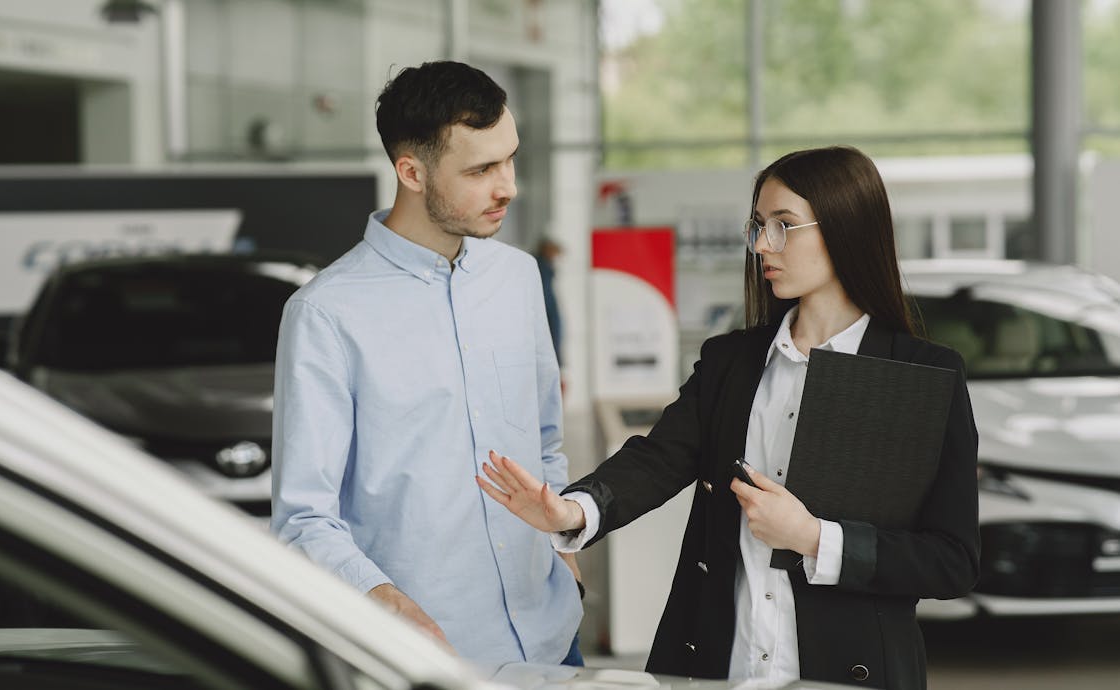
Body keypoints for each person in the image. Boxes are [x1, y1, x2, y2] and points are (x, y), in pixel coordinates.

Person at [477, 146, 979, 690]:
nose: (763, 245)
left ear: (845, 227)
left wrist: (814, 538)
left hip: (851, 673)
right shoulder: (732, 361)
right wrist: (571, 512)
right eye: (760, 226)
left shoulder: (923, 375)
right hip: (716, 669)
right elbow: (658, 458)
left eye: (784, 225)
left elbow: (950, 560)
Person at [271, 60, 583, 667]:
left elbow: (545, 440)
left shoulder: (519, 279)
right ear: (410, 172)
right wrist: (386, 605)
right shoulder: (326, 313)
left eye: (510, 158)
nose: (508, 186)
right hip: (426, 655)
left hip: (550, 636)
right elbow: (305, 516)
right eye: (481, 169)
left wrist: (565, 562)